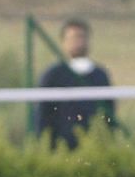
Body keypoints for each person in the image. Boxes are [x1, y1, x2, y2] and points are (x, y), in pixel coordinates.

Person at [32, 19, 116, 149]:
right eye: (72, 38)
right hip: (60, 148)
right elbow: (42, 115)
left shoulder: (100, 75)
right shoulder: (52, 76)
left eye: (81, 37)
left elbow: (109, 112)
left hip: (94, 147)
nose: (77, 42)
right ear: (63, 42)